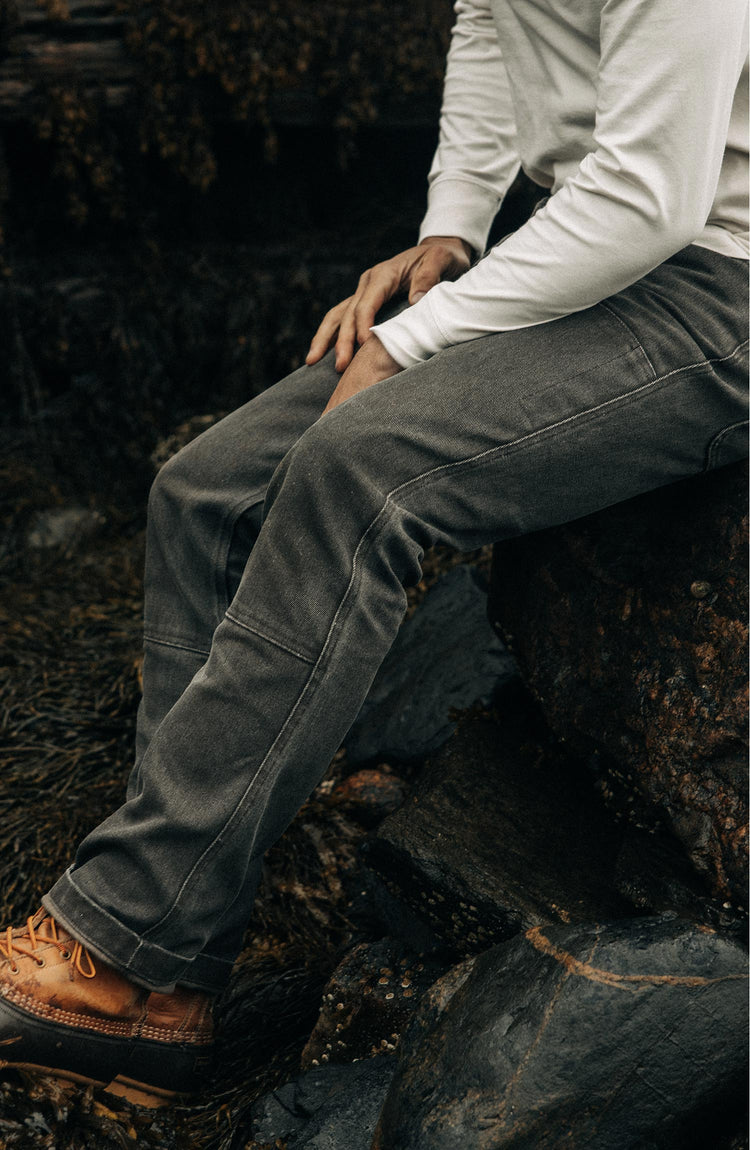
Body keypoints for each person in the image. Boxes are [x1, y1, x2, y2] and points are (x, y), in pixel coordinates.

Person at [1, 0, 747, 1110]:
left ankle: (112, 941)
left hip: (711, 283)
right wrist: (453, 225)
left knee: (360, 467)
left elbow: (650, 197)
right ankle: (166, 984)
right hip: (585, 244)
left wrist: (410, 340)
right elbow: (493, 23)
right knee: (206, 490)